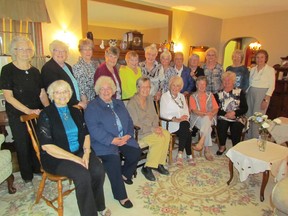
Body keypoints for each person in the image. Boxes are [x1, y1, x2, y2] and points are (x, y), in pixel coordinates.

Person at [37, 80, 110, 216]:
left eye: (65, 91)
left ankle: (99, 205)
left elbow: (86, 134)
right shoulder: (46, 114)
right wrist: (75, 159)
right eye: (57, 92)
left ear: (69, 93)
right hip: (56, 157)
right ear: (52, 95)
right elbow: (47, 146)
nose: (62, 95)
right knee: (82, 175)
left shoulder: (75, 111)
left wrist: (87, 153)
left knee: (98, 170)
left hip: (79, 151)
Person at [84, 76, 141, 209]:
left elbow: (129, 120)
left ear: (113, 90)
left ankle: (124, 174)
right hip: (103, 143)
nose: (106, 91)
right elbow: (93, 129)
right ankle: (121, 196)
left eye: (108, 88)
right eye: (102, 89)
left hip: (123, 138)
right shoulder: (92, 106)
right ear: (97, 90)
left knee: (135, 153)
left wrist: (127, 135)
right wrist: (112, 140)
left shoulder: (119, 103)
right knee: (114, 161)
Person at [0, 36, 49, 184]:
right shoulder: (7, 70)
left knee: (38, 141)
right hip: (18, 114)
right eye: (21, 49)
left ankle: (37, 169)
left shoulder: (35, 71)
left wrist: (49, 110)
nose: (25, 52)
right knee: (22, 143)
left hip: (36, 112)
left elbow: (42, 93)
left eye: (28, 49)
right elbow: (9, 97)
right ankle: (27, 176)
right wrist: (27, 111)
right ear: (14, 51)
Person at [126, 77, 170, 181]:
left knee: (166, 134)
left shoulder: (150, 99)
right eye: (143, 87)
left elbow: (155, 116)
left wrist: (156, 127)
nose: (146, 89)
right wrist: (152, 129)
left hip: (152, 129)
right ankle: (147, 167)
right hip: (140, 133)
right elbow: (135, 123)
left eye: (148, 87)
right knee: (159, 139)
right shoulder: (132, 103)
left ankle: (159, 163)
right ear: (138, 88)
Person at [160, 76, 195, 166]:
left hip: (182, 123)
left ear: (181, 87)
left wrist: (184, 117)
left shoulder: (182, 96)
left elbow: (186, 111)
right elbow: (162, 114)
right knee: (186, 129)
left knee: (185, 125)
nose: (175, 88)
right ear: (170, 85)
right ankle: (188, 154)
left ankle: (180, 154)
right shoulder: (165, 96)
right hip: (170, 123)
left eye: (178, 86)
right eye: (174, 85)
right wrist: (175, 119)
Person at [41, 40, 84, 107]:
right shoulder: (48, 68)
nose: (60, 53)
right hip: (61, 106)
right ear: (52, 52)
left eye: (63, 51)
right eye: (57, 51)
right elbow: (56, 91)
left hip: (73, 105)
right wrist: (76, 102)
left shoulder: (68, 66)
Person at [214, 72, 248, 155]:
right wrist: (226, 114)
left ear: (233, 81)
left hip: (237, 116)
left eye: (229, 80)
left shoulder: (240, 92)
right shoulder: (218, 94)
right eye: (225, 80)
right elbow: (215, 108)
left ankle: (235, 148)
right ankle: (222, 146)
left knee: (236, 125)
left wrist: (234, 113)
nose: (227, 82)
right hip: (223, 116)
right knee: (222, 124)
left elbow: (245, 108)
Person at [246, 49, 275, 138]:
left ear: (266, 58)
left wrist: (266, 99)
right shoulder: (253, 69)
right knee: (249, 117)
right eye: (258, 57)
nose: (259, 59)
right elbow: (250, 83)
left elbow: (272, 86)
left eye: (262, 57)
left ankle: (255, 138)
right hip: (251, 93)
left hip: (262, 94)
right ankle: (249, 137)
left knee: (258, 118)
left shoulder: (270, 70)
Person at [189, 76, 219, 161]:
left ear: (206, 85)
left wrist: (211, 114)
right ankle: (207, 150)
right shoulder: (192, 96)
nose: (202, 86)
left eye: (204, 84)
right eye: (200, 84)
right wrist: (206, 114)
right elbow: (194, 111)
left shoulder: (210, 95)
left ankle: (201, 142)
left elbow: (216, 108)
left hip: (210, 117)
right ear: (196, 85)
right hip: (197, 118)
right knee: (207, 127)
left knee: (206, 121)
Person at [72, 38, 99, 105]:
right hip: (87, 100)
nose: (88, 52)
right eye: (85, 49)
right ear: (80, 51)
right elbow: (80, 87)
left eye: (90, 49)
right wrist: (85, 102)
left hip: (97, 98)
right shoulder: (77, 66)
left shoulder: (95, 64)